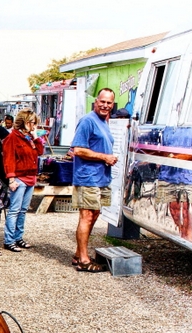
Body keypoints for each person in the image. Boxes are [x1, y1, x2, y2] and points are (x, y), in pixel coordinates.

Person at [71, 88, 117, 272]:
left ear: (112, 105)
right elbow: (78, 150)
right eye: (102, 101)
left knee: (95, 214)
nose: (105, 105)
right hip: (88, 177)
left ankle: (78, 254)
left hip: (101, 177)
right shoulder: (88, 121)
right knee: (87, 215)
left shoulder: (104, 122)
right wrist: (104, 157)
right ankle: (83, 260)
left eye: (109, 103)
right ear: (96, 101)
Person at [2, 109, 44, 253]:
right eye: (32, 122)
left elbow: (40, 151)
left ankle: (18, 237)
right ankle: (9, 240)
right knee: (14, 210)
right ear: (24, 122)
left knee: (23, 210)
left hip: (30, 177)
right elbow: (8, 159)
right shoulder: (12, 137)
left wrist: (36, 137)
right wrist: (11, 179)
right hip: (19, 178)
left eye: (34, 122)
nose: (34, 125)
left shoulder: (30, 137)